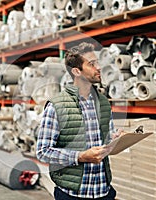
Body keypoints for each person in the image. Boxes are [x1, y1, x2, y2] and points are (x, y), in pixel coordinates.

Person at [36, 42, 122, 199]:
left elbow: (106, 138)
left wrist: (116, 138)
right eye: (92, 64)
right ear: (76, 71)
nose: (99, 67)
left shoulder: (103, 101)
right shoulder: (58, 106)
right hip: (73, 193)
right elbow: (43, 152)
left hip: (103, 190)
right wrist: (80, 156)